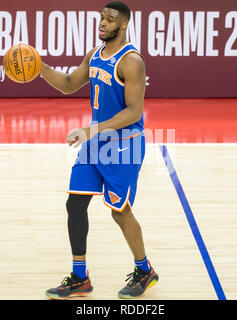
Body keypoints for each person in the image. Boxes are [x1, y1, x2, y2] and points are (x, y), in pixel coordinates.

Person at [40, 1, 158, 299]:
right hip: (96, 142)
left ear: (124, 25)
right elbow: (68, 84)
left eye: (110, 19)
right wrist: (38, 67)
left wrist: (91, 130)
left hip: (124, 145)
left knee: (120, 213)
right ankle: (80, 277)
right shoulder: (94, 55)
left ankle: (145, 271)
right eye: (102, 18)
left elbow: (133, 112)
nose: (103, 23)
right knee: (75, 204)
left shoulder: (131, 62)